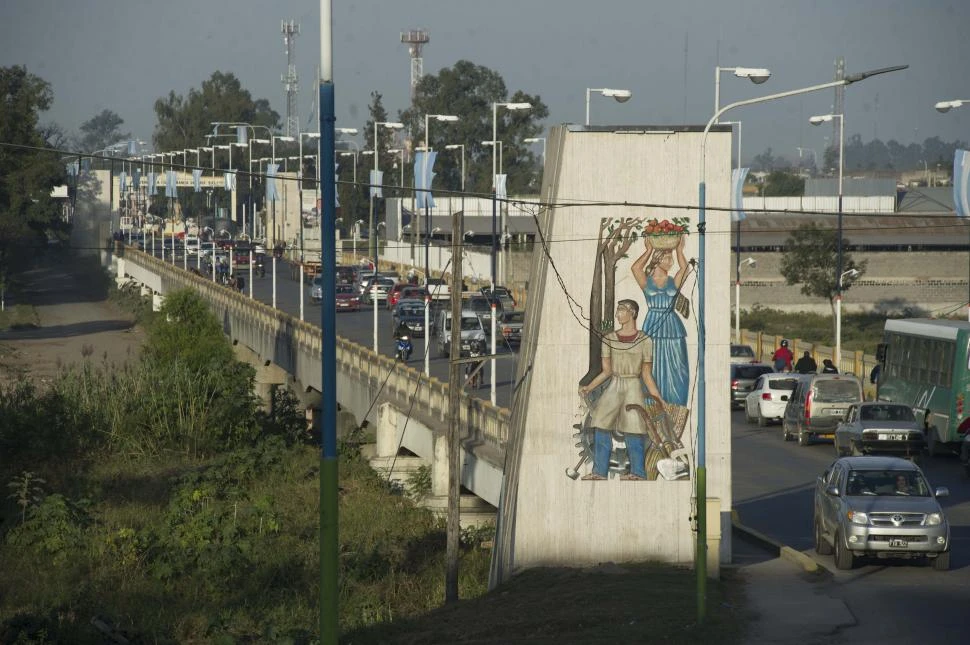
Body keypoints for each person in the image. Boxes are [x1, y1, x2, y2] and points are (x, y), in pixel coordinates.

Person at [578, 299, 666, 481]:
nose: (617, 314)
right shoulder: (609, 339)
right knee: (601, 423)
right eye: (617, 310)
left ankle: (638, 472)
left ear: (632, 313)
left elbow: (646, 374)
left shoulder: (645, 341)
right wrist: (589, 387)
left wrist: (658, 398)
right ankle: (599, 472)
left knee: (634, 428)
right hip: (614, 385)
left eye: (621, 310)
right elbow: (607, 371)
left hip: (633, 386)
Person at [631, 236, 689, 407]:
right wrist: (648, 250)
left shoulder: (673, 281)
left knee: (677, 368)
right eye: (667, 258)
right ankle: (653, 406)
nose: (671, 262)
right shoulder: (646, 282)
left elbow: (684, 268)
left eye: (671, 258)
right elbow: (635, 268)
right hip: (653, 326)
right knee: (652, 367)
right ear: (657, 259)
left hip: (672, 327)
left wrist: (679, 250)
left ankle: (675, 407)